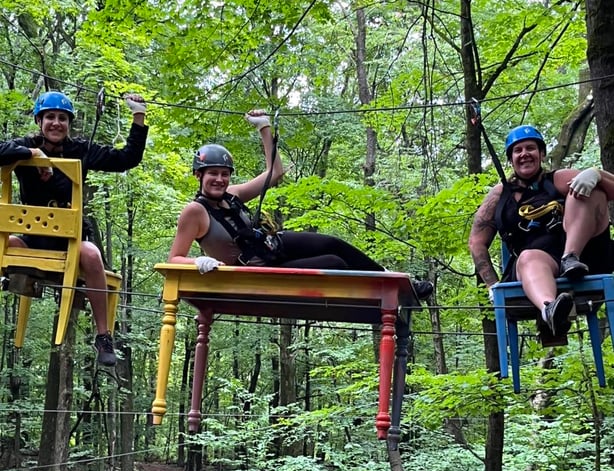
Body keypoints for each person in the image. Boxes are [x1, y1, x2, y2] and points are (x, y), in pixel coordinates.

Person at [168, 109, 433, 299]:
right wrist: (199, 262)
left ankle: (395, 279)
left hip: (273, 245)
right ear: (199, 175)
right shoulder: (195, 212)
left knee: (332, 243)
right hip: (258, 269)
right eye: (213, 174)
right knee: (334, 262)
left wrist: (264, 128)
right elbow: (174, 258)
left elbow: (275, 173)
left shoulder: (233, 194)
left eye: (224, 174)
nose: (219, 180)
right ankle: (384, 291)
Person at [0, 90, 149, 366]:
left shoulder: (80, 151)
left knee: (91, 254)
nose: (56, 123)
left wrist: (138, 116)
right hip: (32, 239)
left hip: (69, 242)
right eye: (50, 117)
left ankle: (103, 336)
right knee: (4, 245)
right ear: (39, 121)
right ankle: (17, 281)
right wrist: (33, 154)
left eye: (62, 118)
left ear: (69, 123)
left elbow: (127, 159)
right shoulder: (25, 145)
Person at [468, 124, 614, 336]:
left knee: (591, 190)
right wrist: (492, 285)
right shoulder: (499, 196)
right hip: (534, 265)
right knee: (529, 258)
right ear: (511, 159)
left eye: (530, 148)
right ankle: (551, 309)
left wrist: (596, 175)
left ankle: (570, 256)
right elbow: (476, 242)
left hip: (580, 259)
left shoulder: (558, 179)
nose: (524, 154)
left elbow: (602, 193)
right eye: (518, 150)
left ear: (542, 154)